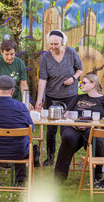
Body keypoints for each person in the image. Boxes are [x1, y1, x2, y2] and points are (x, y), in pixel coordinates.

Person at [54, 74, 104, 183]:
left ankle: (97, 176)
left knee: (95, 139)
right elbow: (67, 114)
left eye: (84, 82)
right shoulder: (78, 97)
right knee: (68, 137)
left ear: (93, 84)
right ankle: (59, 177)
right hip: (75, 127)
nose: (81, 84)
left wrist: (96, 123)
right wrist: (74, 123)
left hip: (94, 128)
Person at [35, 30, 83, 166]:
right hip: (52, 97)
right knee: (51, 130)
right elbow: (43, 79)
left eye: (56, 43)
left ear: (63, 42)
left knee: (66, 129)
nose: (53, 46)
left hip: (70, 96)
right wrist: (40, 99)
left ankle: (63, 159)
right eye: (51, 44)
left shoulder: (71, 53)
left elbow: (80, 69)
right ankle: (50, 158)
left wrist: (73, 78)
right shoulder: (46, 58)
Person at [0, 75, 34, 187]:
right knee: (22, 141)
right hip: (20, 153)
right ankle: (21, 181)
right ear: (13, 91)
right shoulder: (22, 107)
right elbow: (31, 129)